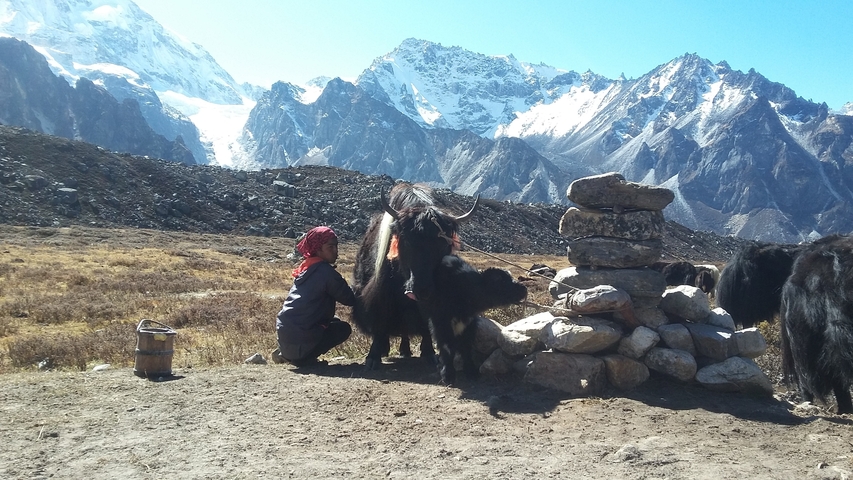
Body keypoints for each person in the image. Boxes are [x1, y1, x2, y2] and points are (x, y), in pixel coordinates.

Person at [273, 226, 354, 366]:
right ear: (318, 249)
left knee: (333, 321)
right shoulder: (326, 272)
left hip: (286, 335)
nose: (336, 251)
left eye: (336, 246)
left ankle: (288, 354)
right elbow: (349, 298)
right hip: (300, 339)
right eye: (330, 247)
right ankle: (303, 359)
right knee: (343, 329)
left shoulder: (306, 268)